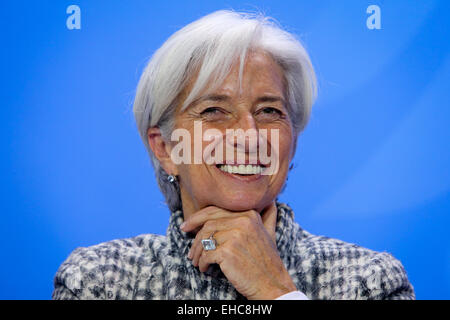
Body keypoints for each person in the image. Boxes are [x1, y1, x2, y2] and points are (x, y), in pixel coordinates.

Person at [52, 10, 415, 300]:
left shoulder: (370, 282)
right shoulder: (97, 282)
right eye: (213, 111)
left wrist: (278, 293)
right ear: (165, 148)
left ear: (293, 141)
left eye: (270, 111)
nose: (248, 136)